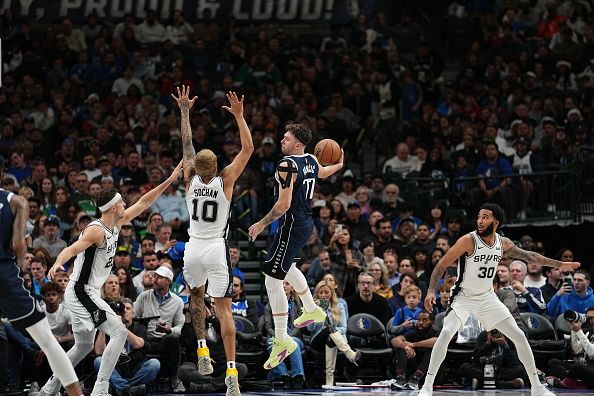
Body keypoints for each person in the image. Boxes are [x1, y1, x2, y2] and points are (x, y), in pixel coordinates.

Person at [38, 162, 183, 396]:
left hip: (89, 291)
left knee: (83, 346)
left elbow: (144, 202)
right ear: (113, 206)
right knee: (119, 331)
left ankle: (49, 389)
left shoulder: (117, 221)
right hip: (81, 290)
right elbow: (73, 249)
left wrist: (170, 179)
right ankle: (100, 389)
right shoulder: (96, 230)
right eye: (122, 202)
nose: (125, 204)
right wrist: (57, 263)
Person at [419, 203, 580, 396]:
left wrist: (560, 264)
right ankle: (427, 386)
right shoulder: (468, 240)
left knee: (519, 337)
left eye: (485, 217)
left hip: (487, 297)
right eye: (479, 216)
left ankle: (537, 387)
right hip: (463, 297)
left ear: (496, 221)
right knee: (445, 333)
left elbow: (531, 256)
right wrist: (430, 291)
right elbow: (442, 264)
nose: (480, 220)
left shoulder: (503, 243)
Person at [172, 85, 253, 395]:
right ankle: (231, 370)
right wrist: (240, 117)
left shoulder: (189, 179)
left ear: (196, 168)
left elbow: (187, 142)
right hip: (216, 248)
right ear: (217, 167)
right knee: (224, 311)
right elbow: (247, 150)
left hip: (192, 248)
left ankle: (203, 350)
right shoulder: (226, 180)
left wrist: (183, 111)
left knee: (195, 298)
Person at [248, 123, 344, 370]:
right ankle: (311, 309)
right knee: (286, 268)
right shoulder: (311, 160)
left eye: (286, 138)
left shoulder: (287, 164)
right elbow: (323, 172)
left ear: (297, 144)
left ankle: (282, 340)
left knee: (272, 279)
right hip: (304, 224)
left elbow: (282, 205)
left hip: (291, 225)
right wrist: (340, 165)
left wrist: (260, 224)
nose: (282, 140)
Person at [0, 157, 83, 396]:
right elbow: (18, 246)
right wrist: (16, 264)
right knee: (46, 339)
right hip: (3, 271)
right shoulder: (16, 201)